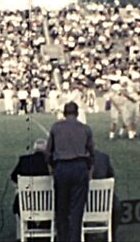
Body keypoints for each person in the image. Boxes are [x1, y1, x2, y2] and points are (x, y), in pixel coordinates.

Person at [46, 102, 95, 242]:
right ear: (77, 113)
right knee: (76, 210)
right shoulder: (85, 129)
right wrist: (90, 169)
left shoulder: (56, 127)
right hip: (79, 167)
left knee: (61, 207)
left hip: (61, 167)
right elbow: (91, 152)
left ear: (64, 113)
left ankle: (62, 238)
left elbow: (48, 151)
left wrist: (51, 165)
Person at [10, 138, 51, 242]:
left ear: (34, 149)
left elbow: (14, 176)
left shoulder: (24, 160)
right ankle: (46, 228)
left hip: (25, 205)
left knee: (18, 200)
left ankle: (23, 233)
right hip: (48, 205)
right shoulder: (51, 162)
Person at [88, 149, 122, 242]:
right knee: (116, 206)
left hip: (81, 204)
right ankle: (111, 235)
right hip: (103, 204)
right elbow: (111, 179)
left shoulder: (71, 159)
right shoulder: (102, 158)